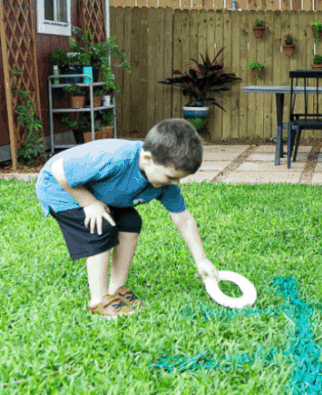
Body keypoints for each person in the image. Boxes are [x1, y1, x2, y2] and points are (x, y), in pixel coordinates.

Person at [35, 118, 218, 319]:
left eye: (179, 178)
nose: (175, 183)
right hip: (62, 189)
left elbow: (183, 219)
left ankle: (116, 288)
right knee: (100, 225)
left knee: (130, 221)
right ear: (148, 158)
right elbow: (59, 171)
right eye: (170, 177)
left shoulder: (165, 184)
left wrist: (201, 260)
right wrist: (89, 203)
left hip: (99, 193)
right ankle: (98, 300)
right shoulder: (114, 157)